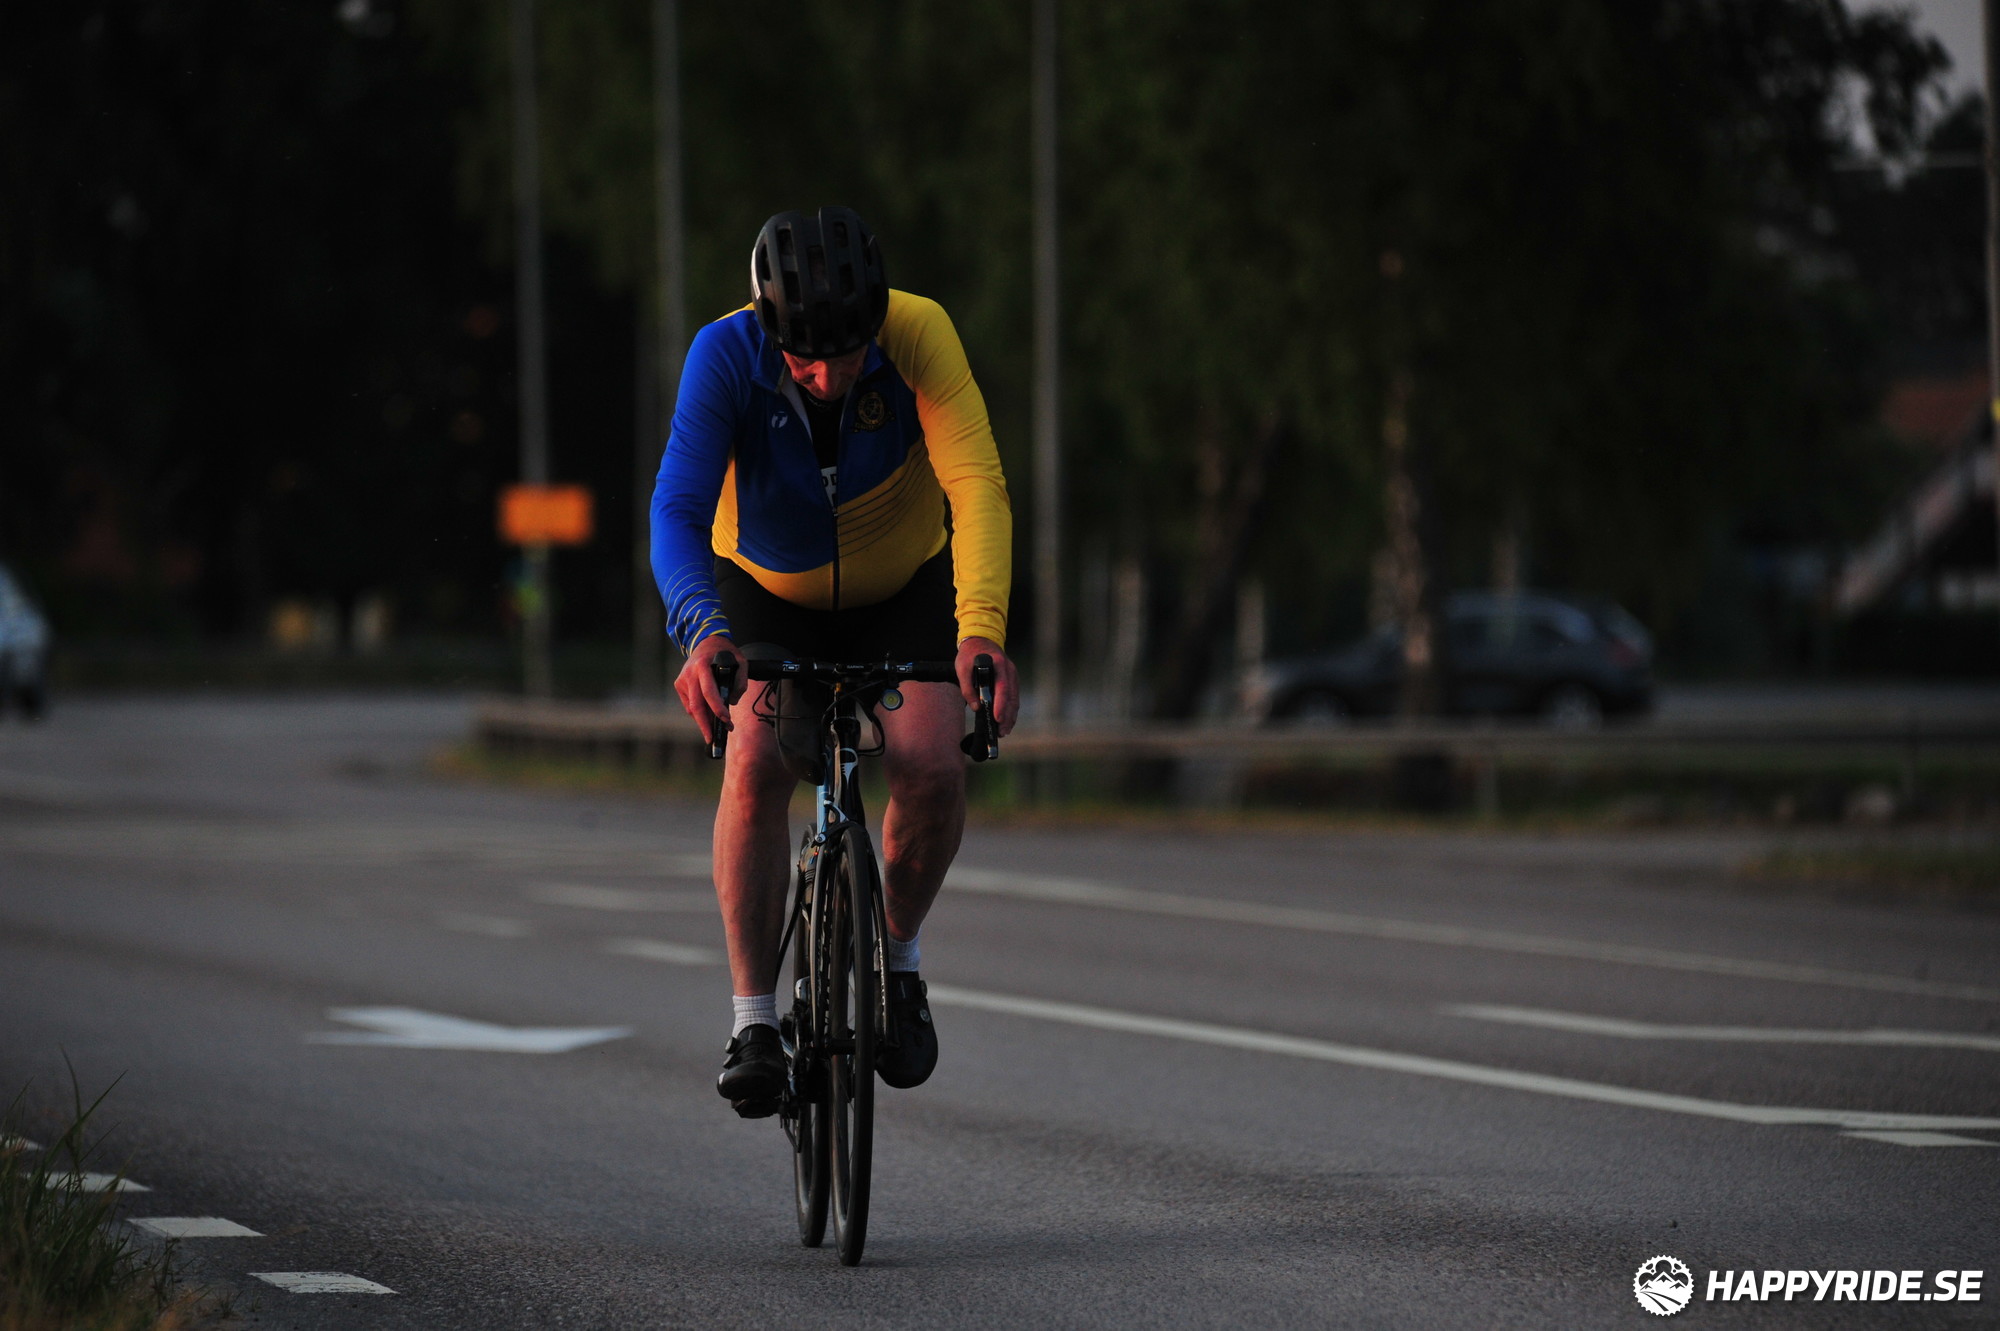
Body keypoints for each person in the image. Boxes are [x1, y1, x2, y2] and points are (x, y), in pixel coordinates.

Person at [650, 206, 1020, 1116]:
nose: (826, 376)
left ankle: (898, 961)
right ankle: (753, 1020)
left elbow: (976, 486)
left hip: (903, 581)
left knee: (932, 761)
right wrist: (702, 632)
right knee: (754, 759)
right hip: (765, 589)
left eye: (847, 355)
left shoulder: (919, 333)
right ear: (767, 326)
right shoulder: (724, 353)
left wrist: (981, 629)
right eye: (805, 359)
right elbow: (676, 510)